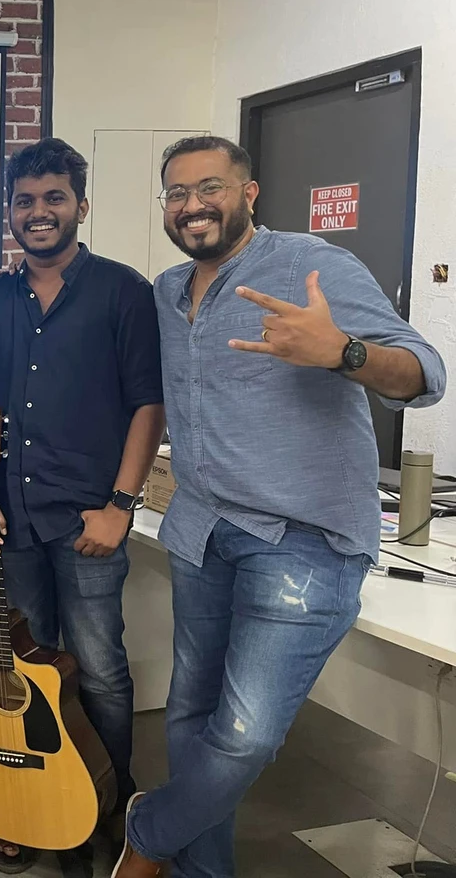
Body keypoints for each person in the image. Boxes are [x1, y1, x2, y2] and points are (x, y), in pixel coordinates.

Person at [111, 136, 446, 878]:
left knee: (245, 735)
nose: (192, 205)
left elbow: (427, 373)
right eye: (176, 193)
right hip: (202, 527)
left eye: (210, 187)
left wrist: (344, 352)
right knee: (191, 719)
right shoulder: (167, 290)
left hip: (302, 539)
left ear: (249, 193)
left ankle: (150, 832)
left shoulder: (309, 266)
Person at [0, 139, 165, 875]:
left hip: (86, 522)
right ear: (9, 210)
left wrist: (121, 506)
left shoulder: (123, 291)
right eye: (24, 201)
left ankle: (108, 802)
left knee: (98, 668)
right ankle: (35, 796)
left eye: (53, 198)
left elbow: (148, 404)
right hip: (10, 520)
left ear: (81, 205)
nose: (37, 212)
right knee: (30, 663)